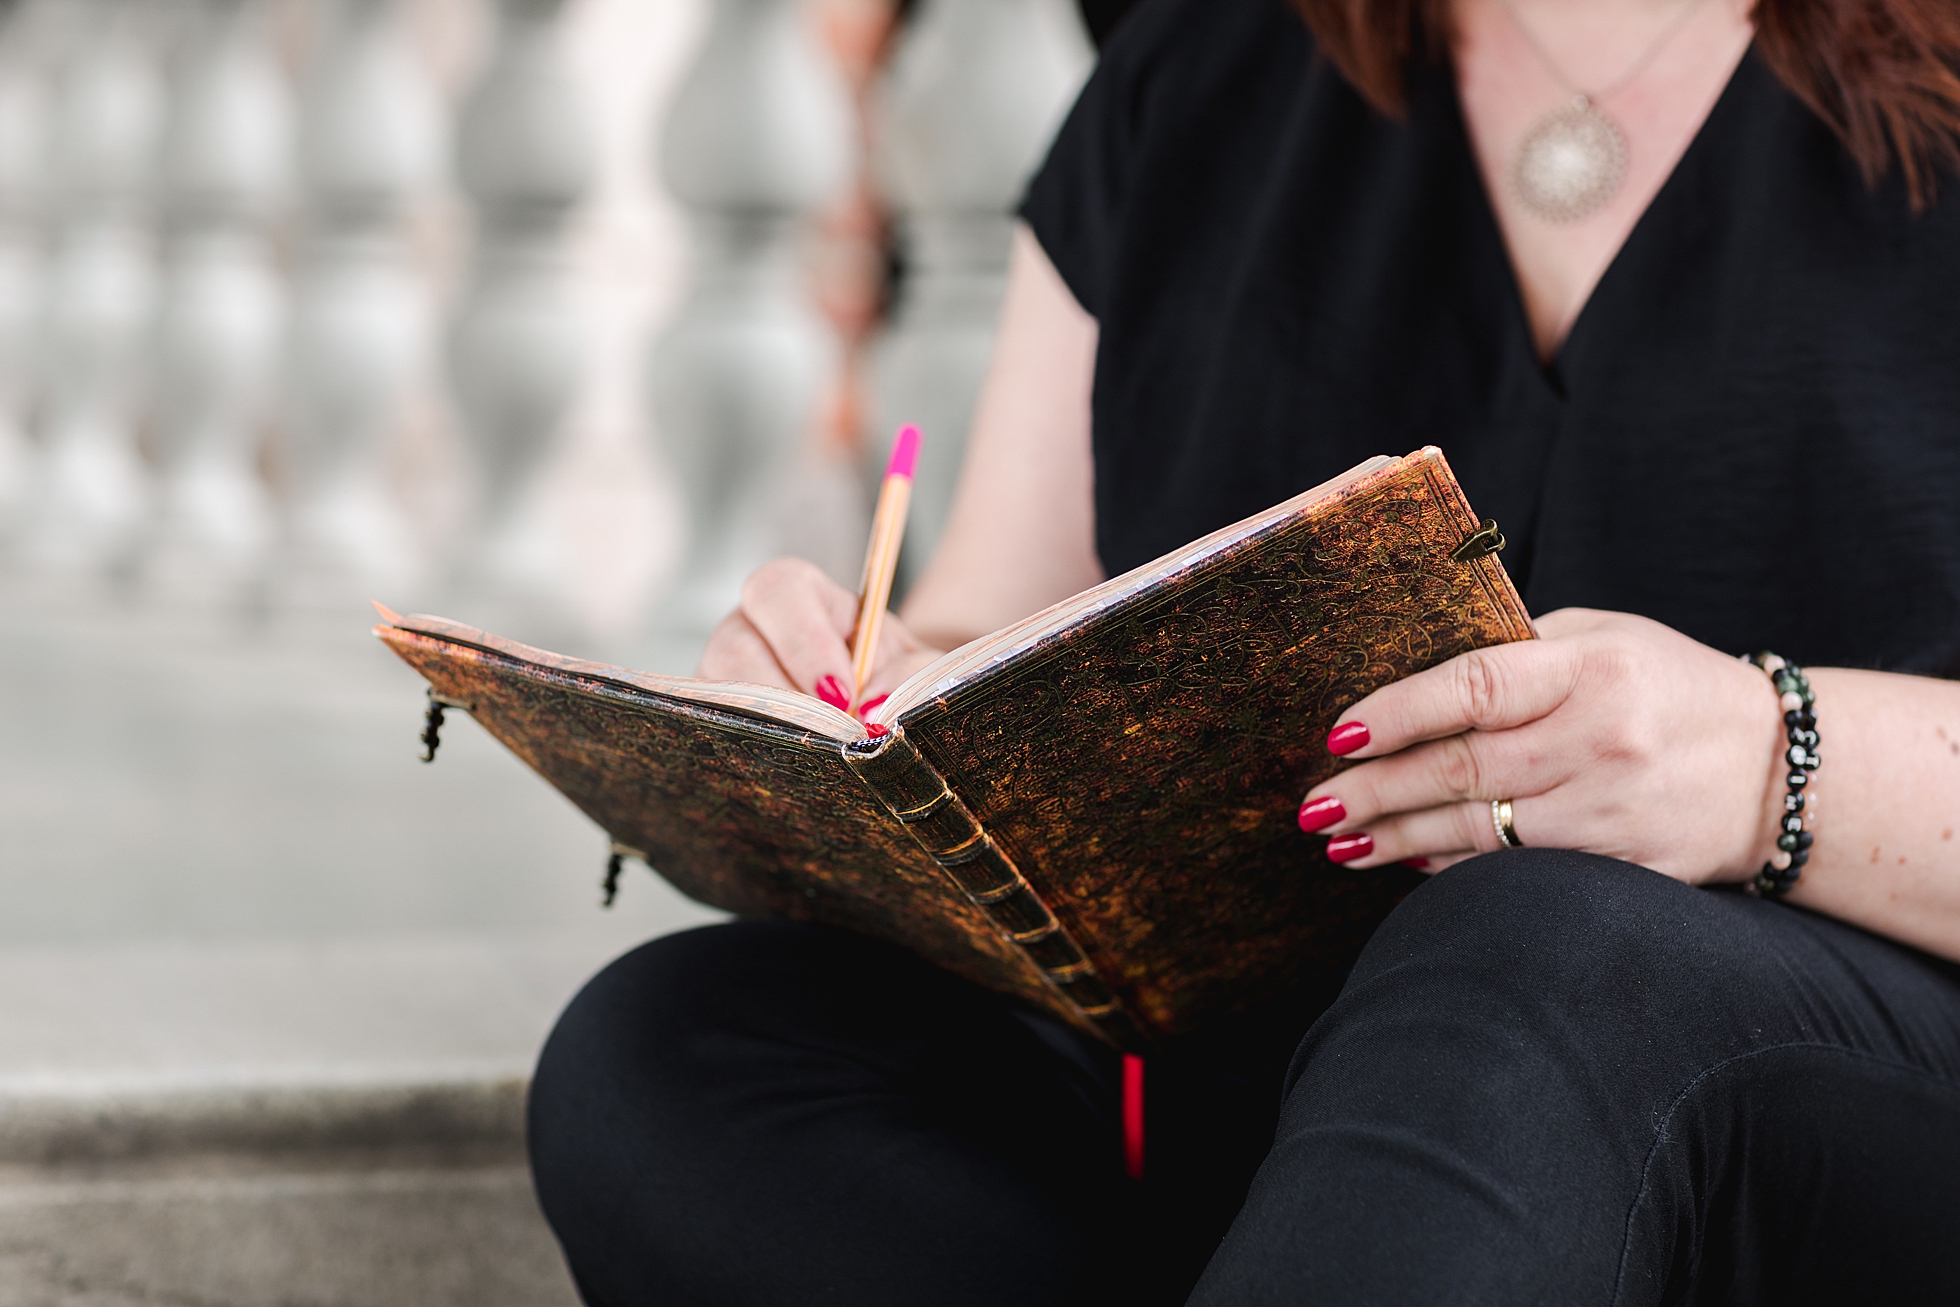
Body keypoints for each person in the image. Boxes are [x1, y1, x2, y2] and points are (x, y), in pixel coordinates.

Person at [528, 0, 1960, 1302]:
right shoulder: (1203, 68)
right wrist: (861, 691)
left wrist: (1771, 760)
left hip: (1848, 1111)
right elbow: (979, 626)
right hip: (1259, 1090)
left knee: (1537, 947)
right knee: (671, 1060)